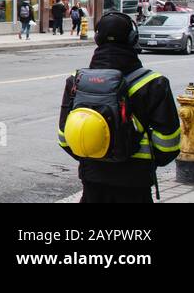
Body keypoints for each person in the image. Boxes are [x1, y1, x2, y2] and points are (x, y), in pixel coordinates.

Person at [58, 11, 182, 203]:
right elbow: (168, 145)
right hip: (135, 185)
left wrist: (95, 154)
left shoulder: (76, 81)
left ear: (97, 39)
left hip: (92, 181)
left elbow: (65, 139)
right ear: (133, 39)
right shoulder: (153, 83)